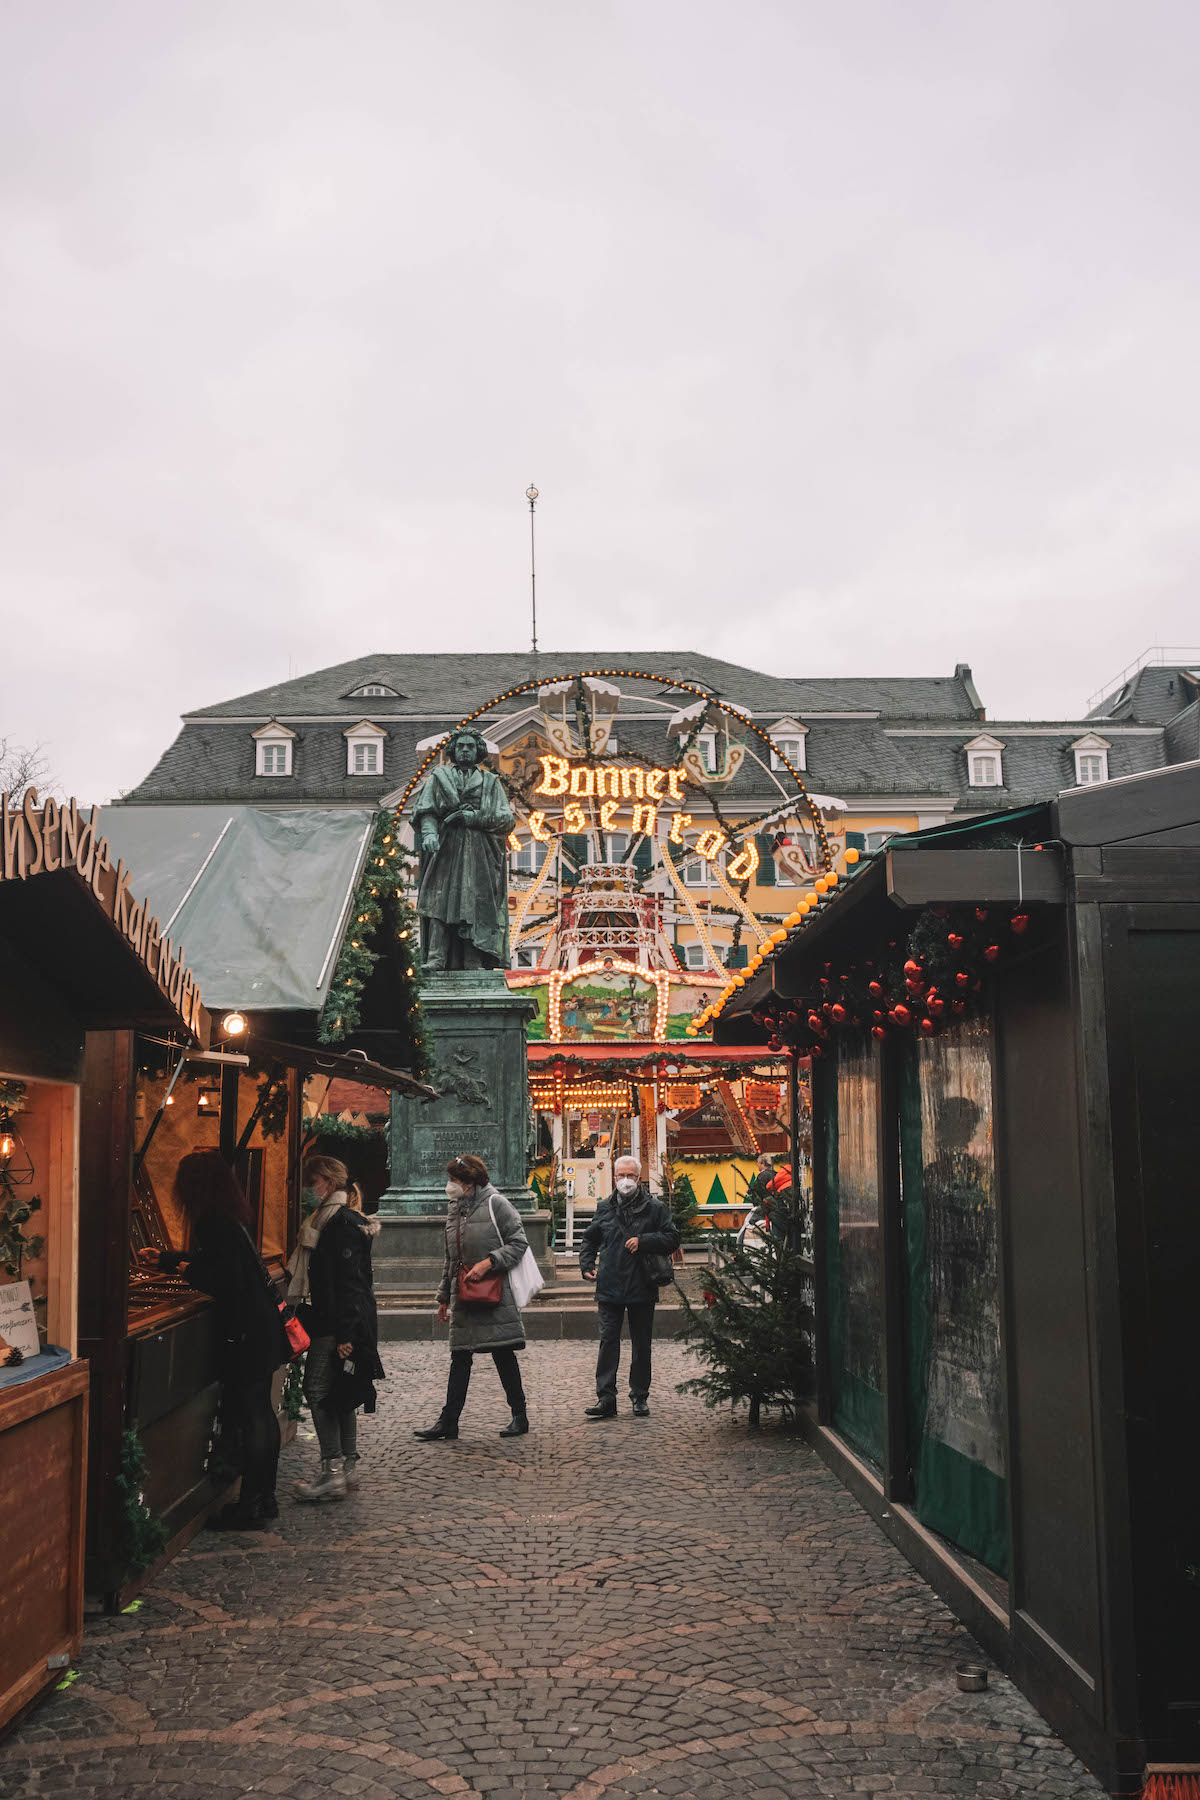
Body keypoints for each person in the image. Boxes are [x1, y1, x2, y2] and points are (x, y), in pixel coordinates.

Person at [138, 1150, 289, 1531]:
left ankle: (252, 1504)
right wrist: (173, 1260)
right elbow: (225, 1264)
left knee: (254, 1413)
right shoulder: (230, 1216)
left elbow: (221, 1279)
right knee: (262, 1414)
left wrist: (186, 1268)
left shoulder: (210, 1220)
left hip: (246, 1333)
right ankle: (262, 1498)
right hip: (262, 1329)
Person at [414, 1153, 531, 1441]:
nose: (450, 1185)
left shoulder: (496, 1203)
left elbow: (519, 1243)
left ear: (470, 1182)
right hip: (464, 1292)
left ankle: (520, 1415)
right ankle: (448, 1421)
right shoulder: (456, 1208)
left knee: (502, 1353)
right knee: (460, 1357)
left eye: (455, 1180)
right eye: (450, 1180)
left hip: (493, 1292)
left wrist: (488, 1262)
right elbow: (450, 1257)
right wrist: (443, 1295)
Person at [288, 1155, 385, 1502]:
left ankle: (332, 1470)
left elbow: (349, 1284)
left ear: (327, 1182)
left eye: (312, 1182)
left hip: (336, 1323)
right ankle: (347, 1470)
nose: (308, 1190)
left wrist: (346, 1335)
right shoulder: (333, 1220)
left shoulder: (339, 1224)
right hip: (340, 1320)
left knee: (317, 1390)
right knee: (342, 1393)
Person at [579, 1155, 680, 1421]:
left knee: (641, 1344)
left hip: (641, 1284)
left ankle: (639, 1396)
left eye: (630, 1176)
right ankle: (606, 1397)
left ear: (639, 1177)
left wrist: (644, 1241)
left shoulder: (655, 1208)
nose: (625, 1181)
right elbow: (590, 1239)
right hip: (610, 1284)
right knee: (608, 1342)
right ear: (613, 1177)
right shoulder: (604, 1207)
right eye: (620, 1175)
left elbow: (672, 1238)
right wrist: (586, 1264)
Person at [410, 726, 514, 973]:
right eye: (460, 746)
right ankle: (436, 957)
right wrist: (429, 834)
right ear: (453, 751)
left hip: (480, 852)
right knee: (438, 901)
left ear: (478, 751)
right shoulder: (439, 778)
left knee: (475, 904)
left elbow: (506, 819)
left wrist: (471, 817)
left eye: (470, 746)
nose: (465, 750)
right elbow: (426, 811)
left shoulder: (490, 782)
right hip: (445, 848)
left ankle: (473, 959)